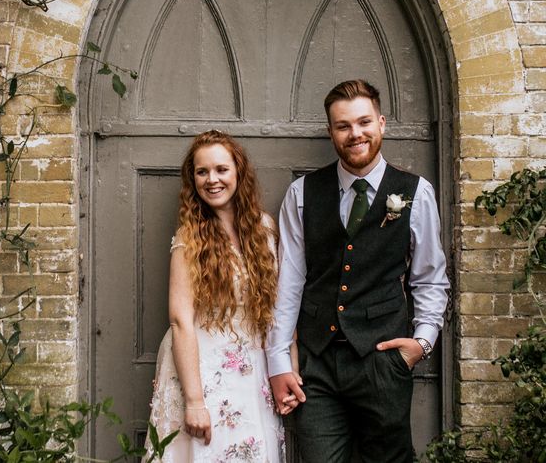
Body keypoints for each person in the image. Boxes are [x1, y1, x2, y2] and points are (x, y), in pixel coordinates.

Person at [267, 80, 450, 463]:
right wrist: (279, 362)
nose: (356, 134)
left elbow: (429, 278)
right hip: (316, 367)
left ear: (381, 123)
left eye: (364, 122)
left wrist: (421, 344)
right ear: (331, 132)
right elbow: (289, 283)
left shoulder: (416, 192)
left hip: (383, 360)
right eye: (343, 126)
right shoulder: (302, 194)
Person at [145, 130, 287, 462]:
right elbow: (181, 321)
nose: (212, 179)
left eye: (221, 169)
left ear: (238, 171)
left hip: (252, 372)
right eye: (202, 171)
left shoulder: (264, 228)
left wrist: (287, 370)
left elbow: (277, 308)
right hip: (201, 372)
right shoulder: (189, 238)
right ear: (192, 179)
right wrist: (194, 402)